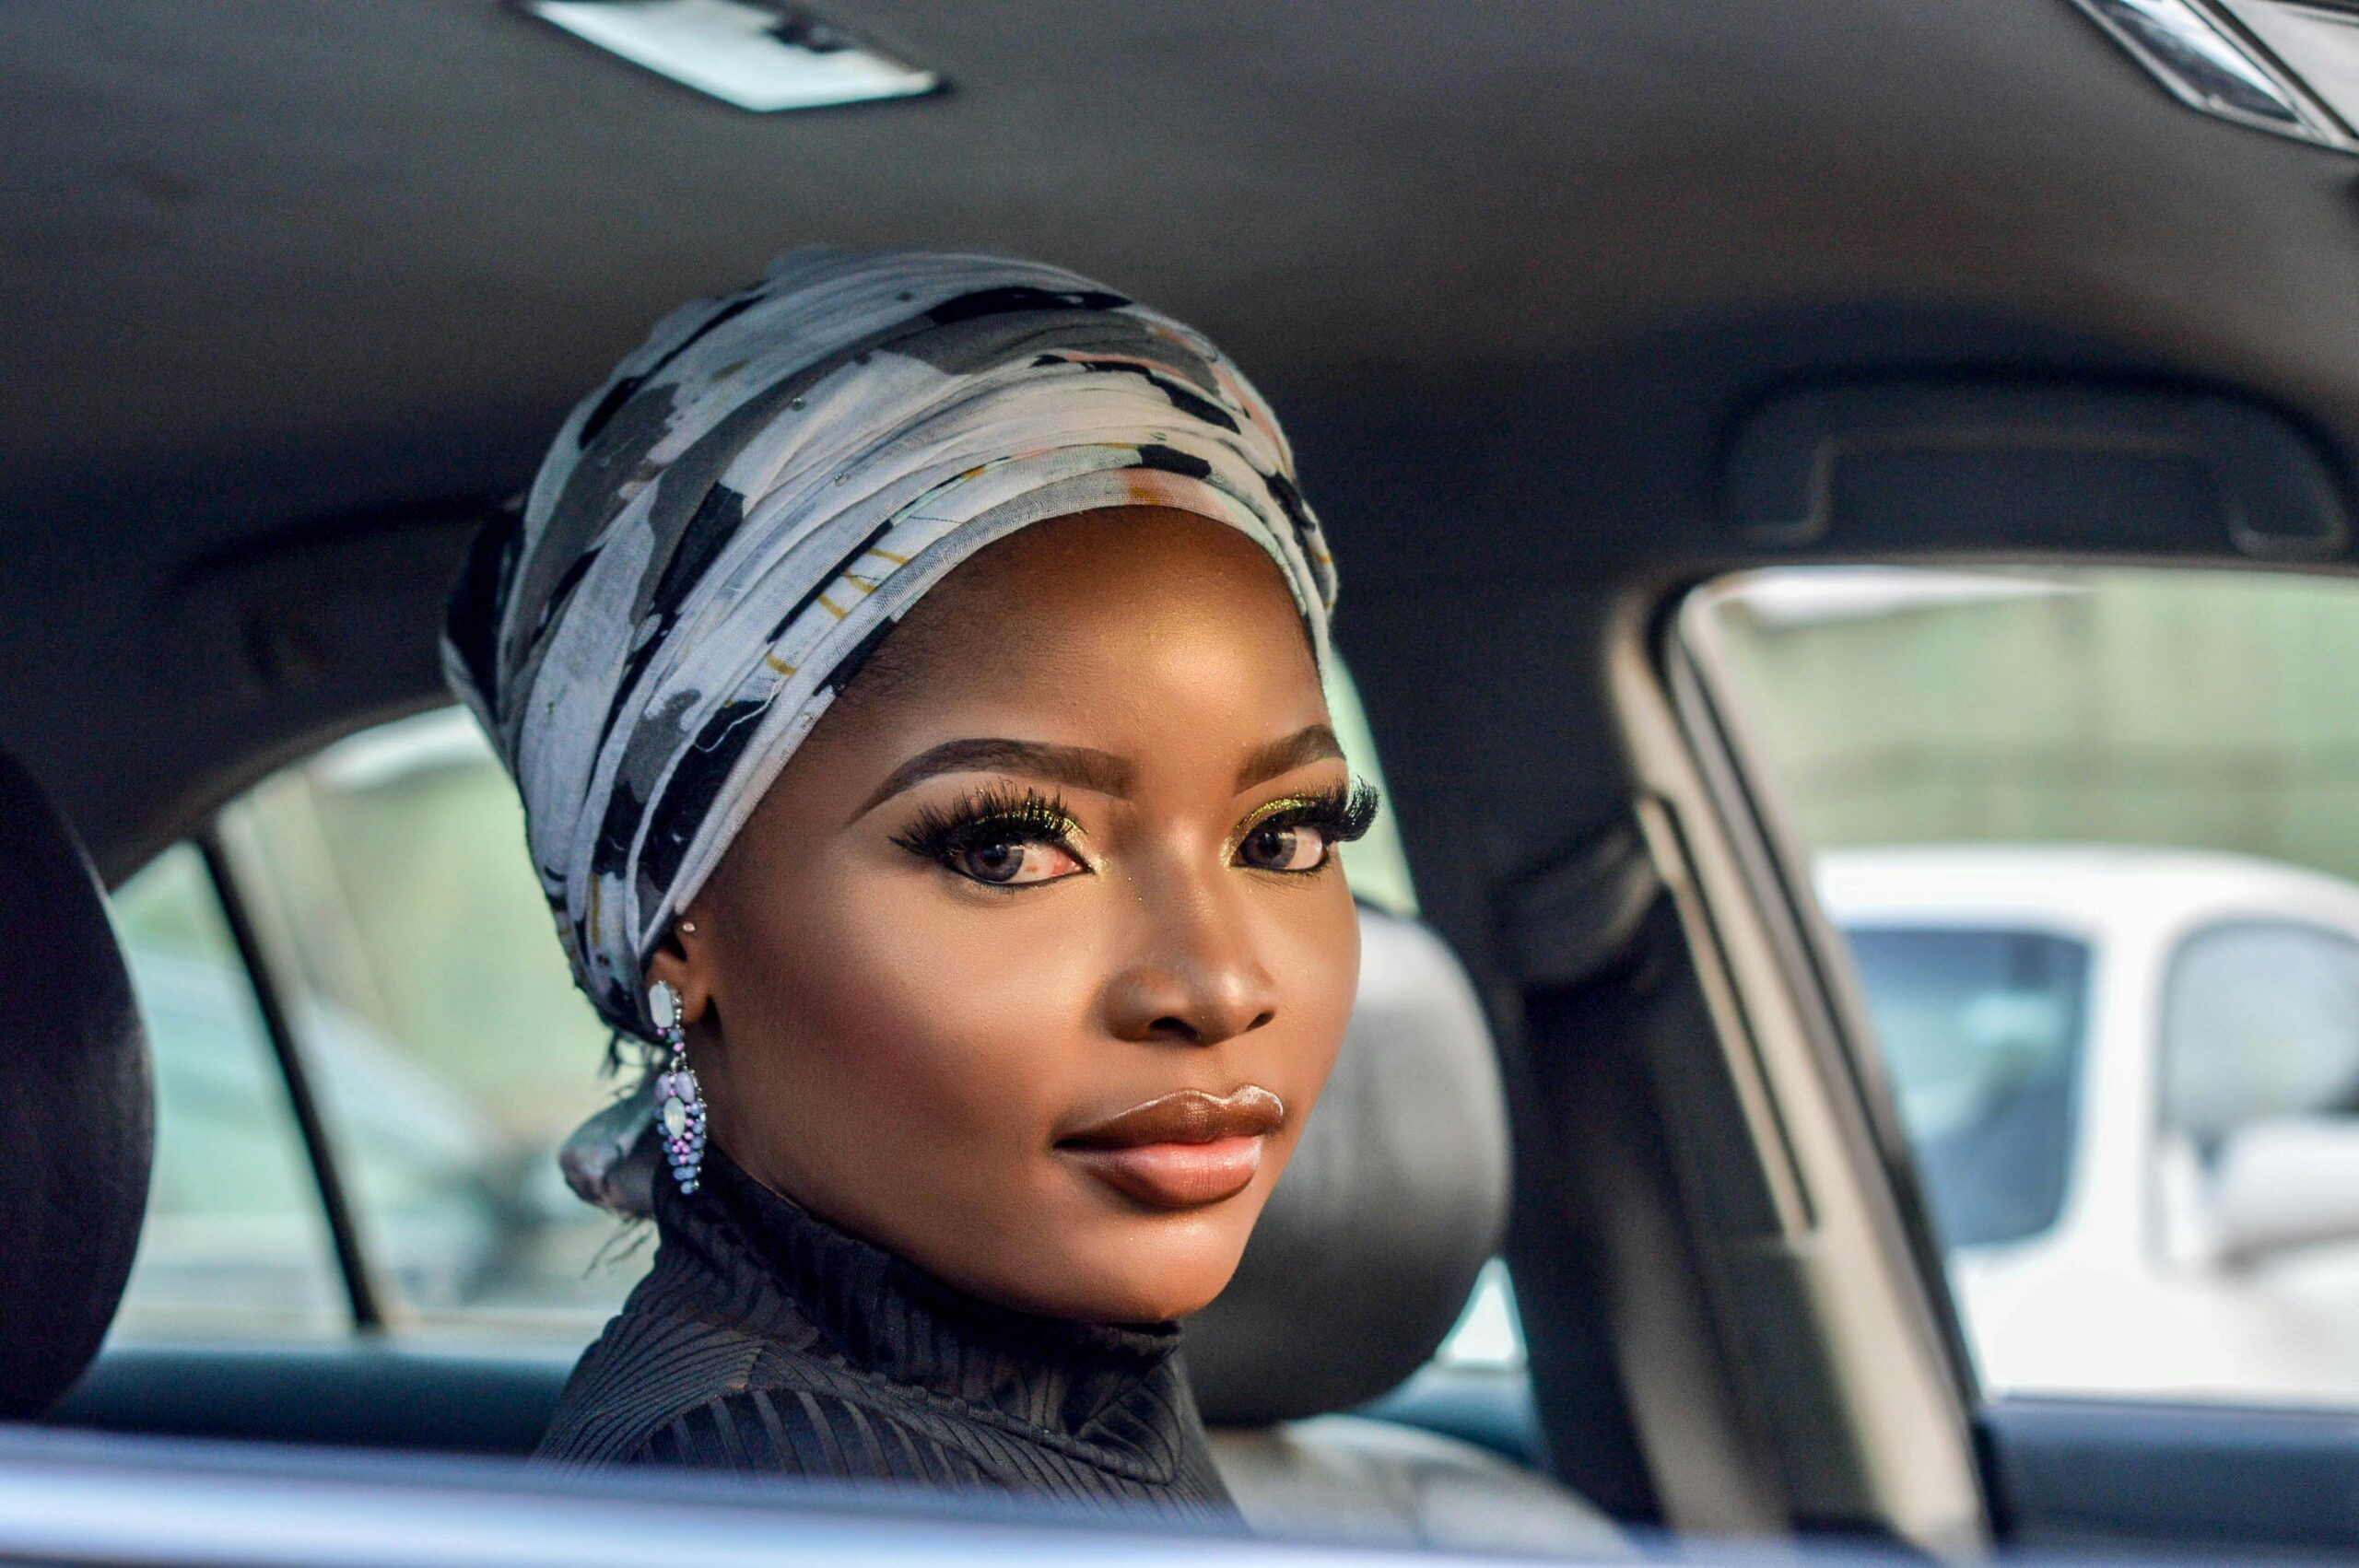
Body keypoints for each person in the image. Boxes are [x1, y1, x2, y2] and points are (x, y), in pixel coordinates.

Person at [441, 249, 1368, 1515]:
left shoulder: (1066, 1392)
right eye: (1005, 848)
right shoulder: (767, 1485)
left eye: (1285, 835)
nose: (1212, 982)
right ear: (677, 928)